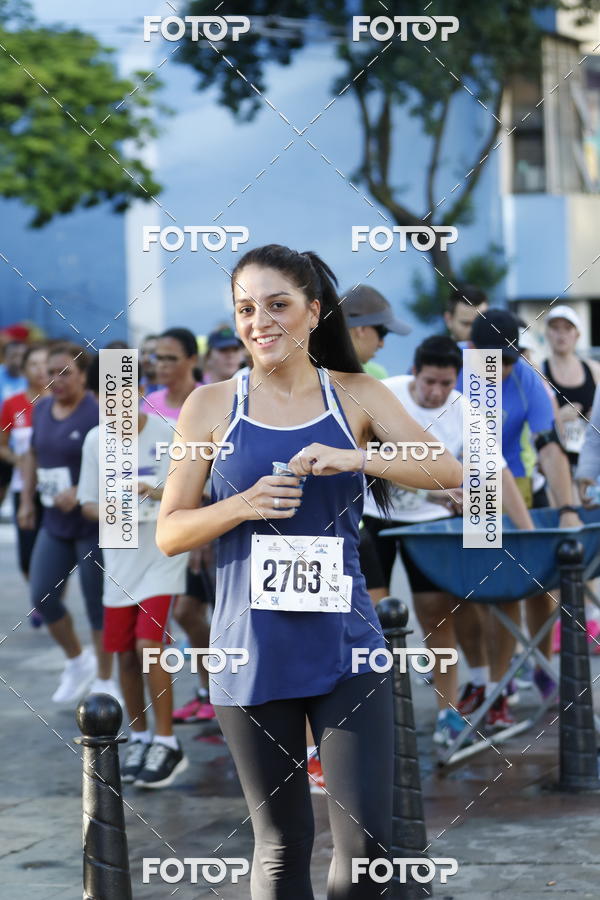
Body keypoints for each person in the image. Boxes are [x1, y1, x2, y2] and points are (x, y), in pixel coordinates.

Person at [156, 244, 462, 898]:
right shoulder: (210, 406)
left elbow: (447, 471)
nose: (259, 320)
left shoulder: (356, 394)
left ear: (314, 311)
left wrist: (359, 459)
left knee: (363, 853)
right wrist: (240, 504)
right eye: (245, 308)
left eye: (277, 304)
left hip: (346, 645)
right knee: (282, 847)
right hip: (250, 648)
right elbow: (169, 532)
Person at [361, 336, 534, 742]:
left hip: (429, 525)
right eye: (429, 383)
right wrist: (433, 488)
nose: (436, 392)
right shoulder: (386, 395)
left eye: (445, 383)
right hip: (376, 516)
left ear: (455, 379)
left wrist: (526, 534)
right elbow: (366, 458)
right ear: (414, 374)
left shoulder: (465, 410)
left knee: (436, 613)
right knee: (373, 616)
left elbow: (499, 473)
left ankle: (448, 713)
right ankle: (372, 712)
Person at [458, 310, 581, 724]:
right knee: (488, 590)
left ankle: (539, 667)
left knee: (536, 584)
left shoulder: (526, 378)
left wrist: (567, 509)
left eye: (509, 359)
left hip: (517, 485)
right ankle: (494, 681)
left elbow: (548, 446)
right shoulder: (453, 373)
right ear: (473, 352)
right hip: (461, 485)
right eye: (494, 360)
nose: (502, 369)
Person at [78, 373, 189, 788]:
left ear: (140, 392)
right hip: (119, 555)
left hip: (162, 552)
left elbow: (194, 487)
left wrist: (153, 492)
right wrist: (109, 505)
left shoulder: (170, 432)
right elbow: (88, 503)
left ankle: (167, 741)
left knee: (149, 645)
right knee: (124, 653)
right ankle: (140, 736)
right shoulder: (95, 441)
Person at [17, 343, 119, 703]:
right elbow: (32, 454)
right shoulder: (41, 409)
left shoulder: (98, 413)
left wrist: (81, 489)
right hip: (54, 522)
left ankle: (107, 680)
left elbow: (117, 464)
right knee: (42, 596)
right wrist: (27, 500)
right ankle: (78, 661)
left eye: (65, 373)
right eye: (50, 372)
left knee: (97, 605)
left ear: (82, 376)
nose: (55, 380)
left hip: (93, 524)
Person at [142, 328, 215, 722]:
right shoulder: (148, 404)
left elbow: (217, 472)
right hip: (154, 531)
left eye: (170, 357)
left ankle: (234, 698)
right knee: (184, 615)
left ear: (191, 360)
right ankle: (206, 691)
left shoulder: (210, 401)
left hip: (203, 525)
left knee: (216, 612)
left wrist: (202, 531)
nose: (160, 365)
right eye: (155, 357)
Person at [0, 344, 49, 622]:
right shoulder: (13, 404)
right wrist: (18, 460)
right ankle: (39, 593)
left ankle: (49, 602)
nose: (41, 370)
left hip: (56, 491)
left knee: (54, 551)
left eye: (46, 364)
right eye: (34, 364)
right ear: (25, 370)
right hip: (23, 488)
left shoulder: (61, 400)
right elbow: (2, 444)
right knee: (27, 555)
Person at [542, 305, 600, 475]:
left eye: (567, 328)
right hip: (557, 460)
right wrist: (558, 417)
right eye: (555, 328)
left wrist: (594, 417)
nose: (561, 335)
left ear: (577, 334)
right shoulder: (540, 372)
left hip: (592, 458)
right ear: (547, 333)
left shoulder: (595, 370)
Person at [340, 284, 411, 379]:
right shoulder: (374, 378)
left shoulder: (377, 375)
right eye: (382, 333)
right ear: (360, 329)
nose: (382, 344)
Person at [0, 340, 27, 505]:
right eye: (13, 356)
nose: (17, 361)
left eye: (21, 357)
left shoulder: (30, 380)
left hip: (23, 445)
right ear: (5, 357)